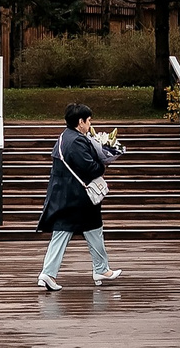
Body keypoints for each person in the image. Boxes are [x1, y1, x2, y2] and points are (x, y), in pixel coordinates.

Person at [35, 103, 121, 291]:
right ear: (80, 122)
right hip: (76, 198)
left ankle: (100, 269)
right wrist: (104, 163)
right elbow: (91, 168)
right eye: (88, 120)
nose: (90, 124)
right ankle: (49, 273)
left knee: (90, 229)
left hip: (67, 194)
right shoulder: (77, 142)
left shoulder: (65, 137)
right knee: (69, 231)